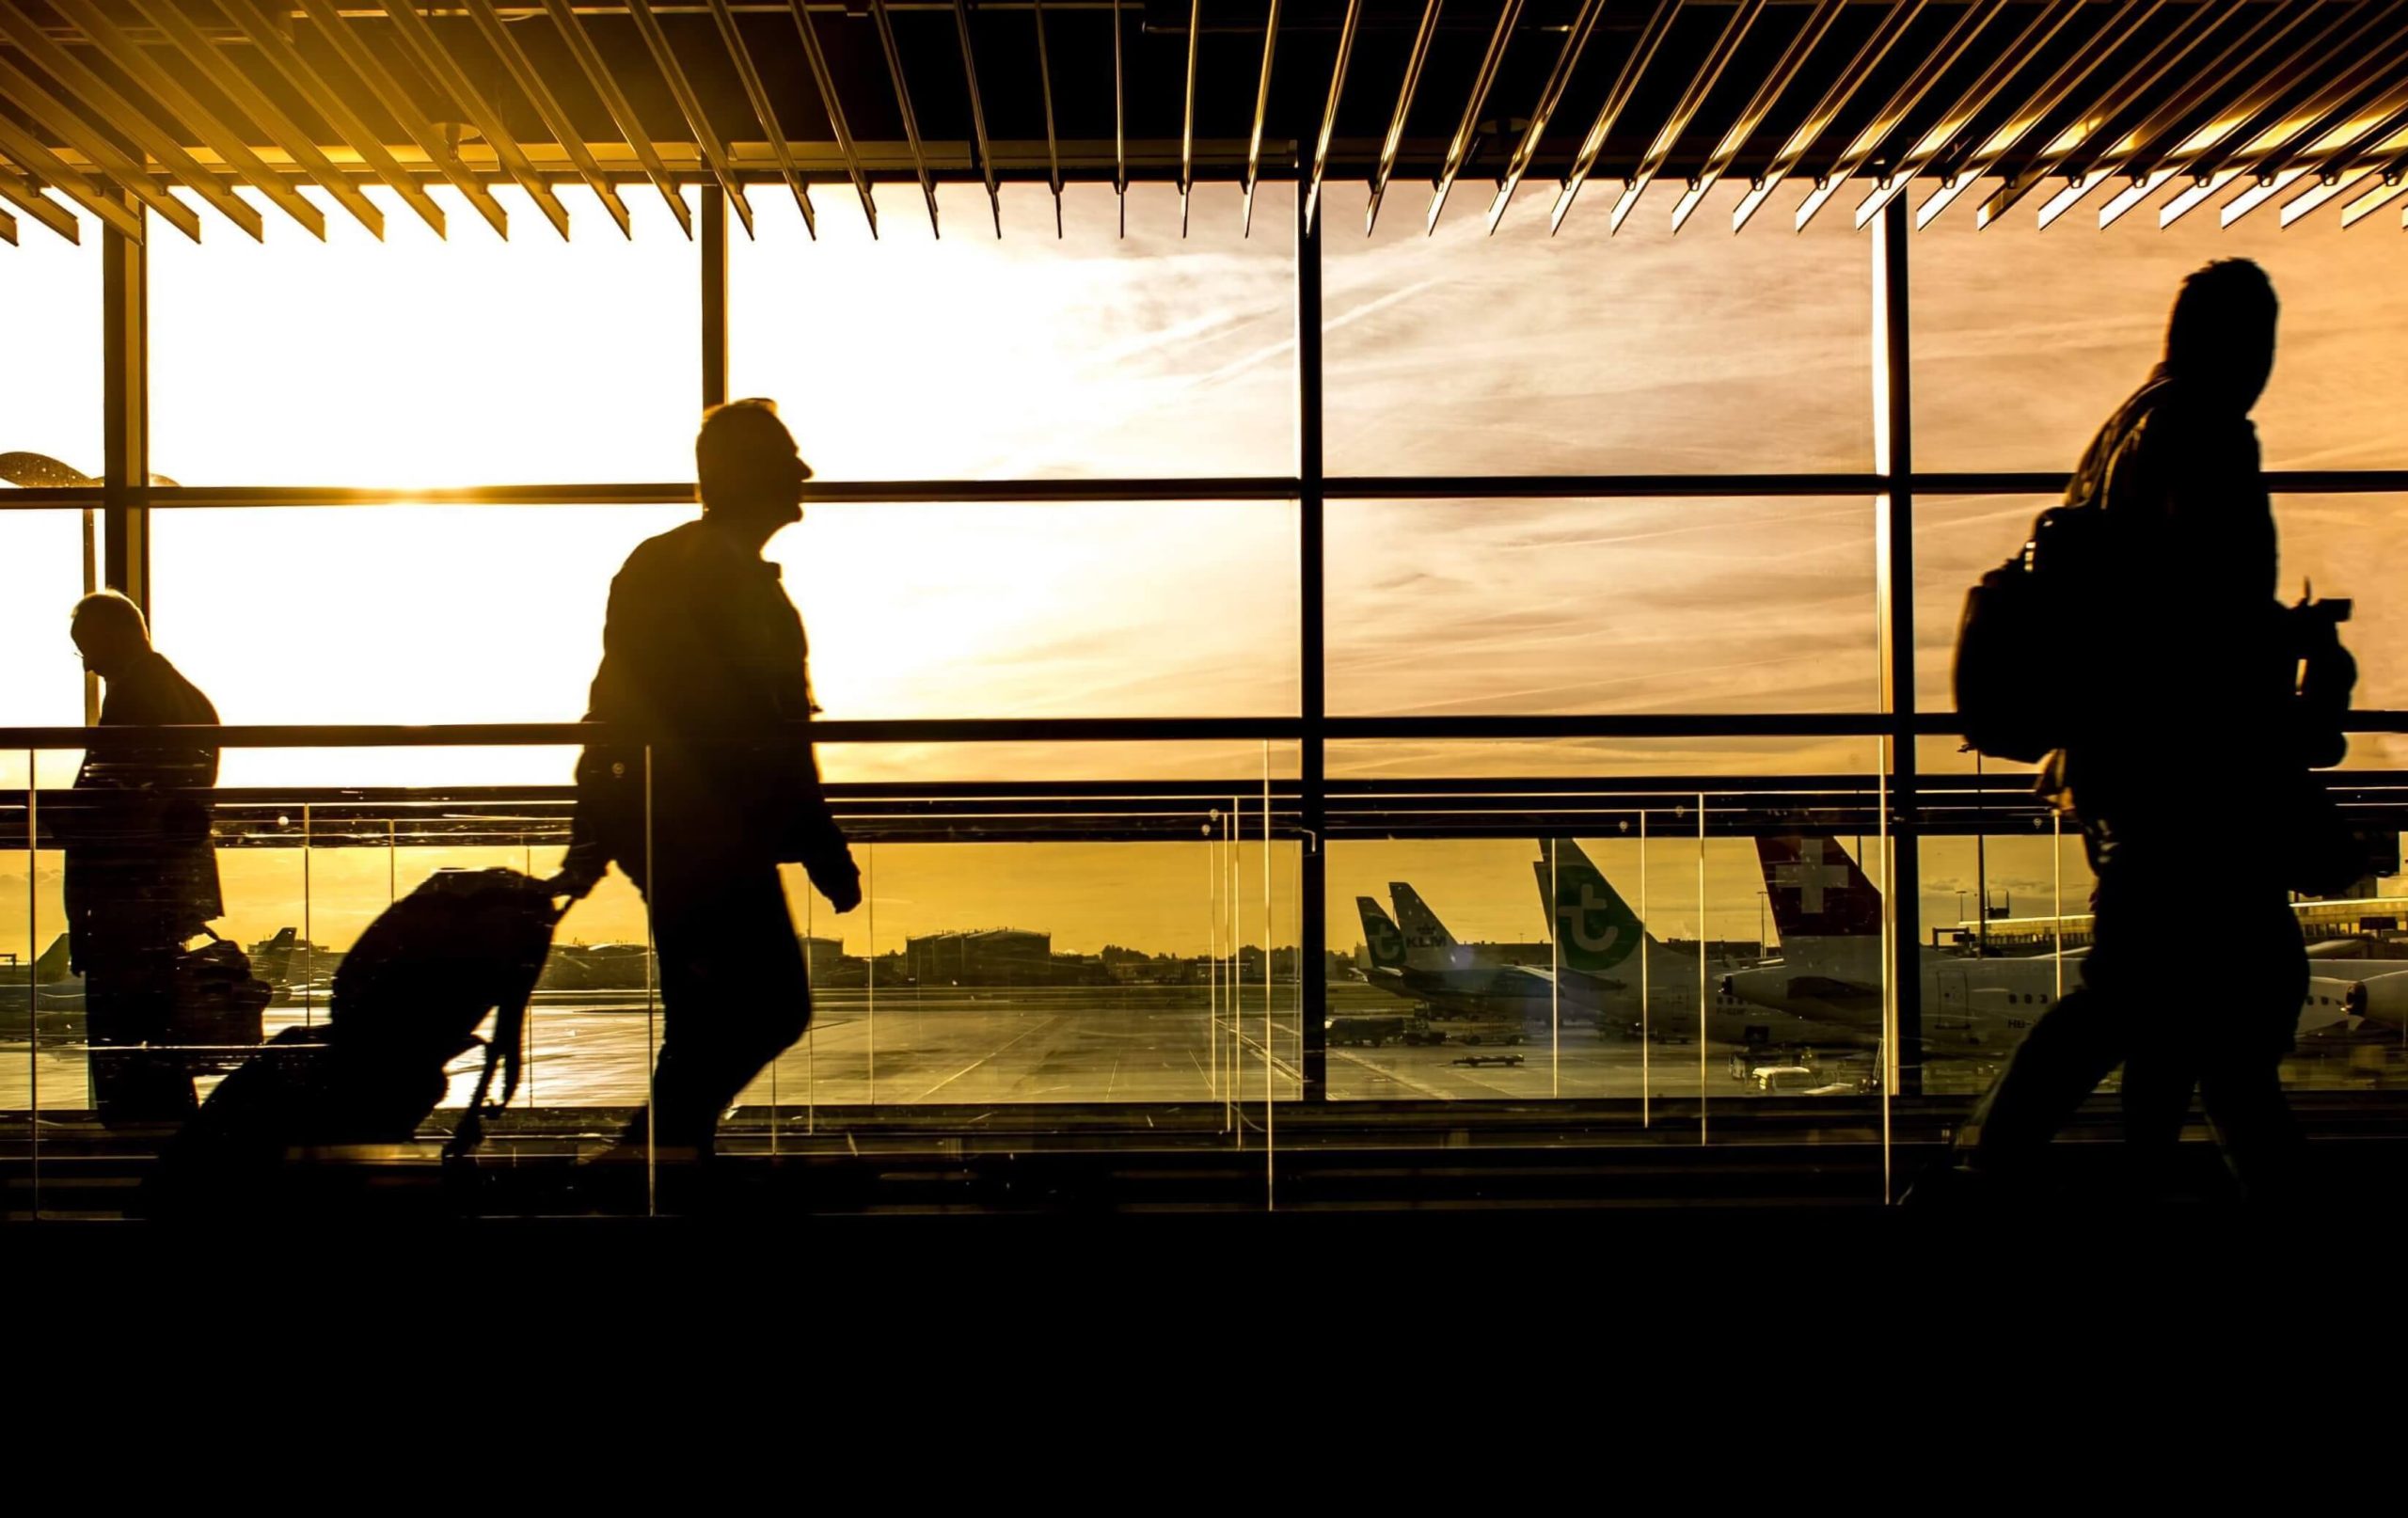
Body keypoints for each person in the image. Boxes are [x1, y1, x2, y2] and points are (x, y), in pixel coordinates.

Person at [1953, 259, 2345, 1204]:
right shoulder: (2205, 433)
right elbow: (2202, 619)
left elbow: (2148, 611)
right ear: (2245, 343)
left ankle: (2013, 1174)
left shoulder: (2121, 436)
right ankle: (1984, 1173)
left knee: (2169, 1002)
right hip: (2188, 775)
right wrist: (2292, 656)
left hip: (2122, 767)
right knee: (2195, 1003)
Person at [553, 399, 860, 1162]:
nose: (805, 471)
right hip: (701, 833)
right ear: (747, 473)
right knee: (767, 1006)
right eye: (787, 455)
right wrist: (819, 845)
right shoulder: (705, 574)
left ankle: (663, 1162)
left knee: (716, 1013)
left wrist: (596, 831)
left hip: (691, 830)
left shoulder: (697, 571)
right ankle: (652, 1159)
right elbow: (763, 734)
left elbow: (619, 707)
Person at [62, 590, 222, 1126]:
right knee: (159, 1053)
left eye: (87, 647)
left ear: (117, 636)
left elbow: (119, 805)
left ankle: (144, 1161)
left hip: (126, 902)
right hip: (159, 898)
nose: (87, 662)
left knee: (126, 1052)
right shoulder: (186, 696)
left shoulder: (138, 697)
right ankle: (169, 1163)